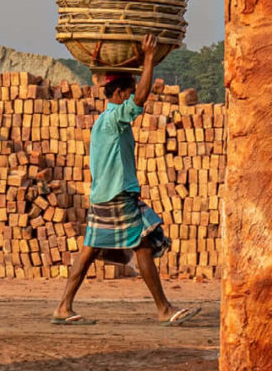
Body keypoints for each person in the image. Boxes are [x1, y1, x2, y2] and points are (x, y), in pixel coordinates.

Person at [54, 35, 194, 323]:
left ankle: (63, 307)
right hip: (118, 195)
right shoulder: (116, 118)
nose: (132, 97)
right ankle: (163, 309)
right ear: (118, 94)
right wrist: (148, 60)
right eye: (128, 93)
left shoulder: (104, 122)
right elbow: (141, 98)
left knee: (90, 251)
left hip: (105, 195)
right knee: (143, 243)